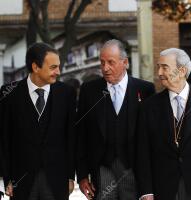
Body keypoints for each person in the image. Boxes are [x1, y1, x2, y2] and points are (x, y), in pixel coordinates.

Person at [136, 48, 191, 200]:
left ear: (182, 70)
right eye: (159, 67)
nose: (159, 73)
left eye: (164, 67)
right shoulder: (149, 106)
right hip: (162, 188)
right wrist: (146, 191)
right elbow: (142, 152)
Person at [76, 39, 155, 200]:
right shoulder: (89, 91)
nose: (105, 68)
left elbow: (152, 138)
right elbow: (80, 135)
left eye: (111, 62)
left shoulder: (146, 90)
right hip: (102, 168)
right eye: (102, 62)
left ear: (125, 62)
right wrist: (82, 175)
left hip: (133, 168)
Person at [0, 42, 77, 200]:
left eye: (58, 66)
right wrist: (6, 178)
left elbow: (71, 137)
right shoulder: (9, 93)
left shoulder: (67, 93)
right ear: (35, 67)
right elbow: (3, 139)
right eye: (53, 67)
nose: (58, 72)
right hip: (20, 182)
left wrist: (70, 176)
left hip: (57, 180)